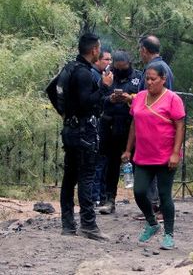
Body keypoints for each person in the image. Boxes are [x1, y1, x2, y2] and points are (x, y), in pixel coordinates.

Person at [121, 63, 185, 250]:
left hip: (165, 156)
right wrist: (127, 149)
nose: (149, 82)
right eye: (147, 79)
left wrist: (175, 153)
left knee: (165, 195)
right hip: (143, 154)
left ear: (163, 79)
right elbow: (134, 124)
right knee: (139, 191)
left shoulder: (173, 99)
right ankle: (152, 222)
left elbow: (180, 126)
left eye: (153, 79)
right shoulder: (140, 97)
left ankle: (169, 234)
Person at [60, 33, 113, 240]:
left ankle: (68, 224)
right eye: (99, 48)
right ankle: (88, 225)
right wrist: (104, 87)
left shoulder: (70, 68)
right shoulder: (83, 73)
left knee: (70, 177)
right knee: (86, 177)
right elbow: (86, 102)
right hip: (84, 132)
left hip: (71, 130)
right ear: (94, 50)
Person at [98, 50, 142, 215]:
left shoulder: (139, 77)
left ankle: (145, 204)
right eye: (118, 68)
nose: (120, 70)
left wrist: (130, 98)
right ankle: (109, 200)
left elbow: (146, 98)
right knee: (111, 166)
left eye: (123, 67)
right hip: (110, 127)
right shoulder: (107, 76)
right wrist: (110, 99)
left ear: (129, 64)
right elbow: (97, 98)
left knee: (139, 164)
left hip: (132, 127)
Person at [137, 35, 174, 218]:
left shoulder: (157, 69)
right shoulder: (161, 67)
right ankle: (152, 206)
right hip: (149, 130)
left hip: (158, 131)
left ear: (144, 50)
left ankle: (158, 207)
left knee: (158, 172)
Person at [90, 45, 112, 208]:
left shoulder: (104, 75)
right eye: (107, 59)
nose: (109, 62)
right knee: (98, 162)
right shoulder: (93, 75)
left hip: (105, 125)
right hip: (95, 124)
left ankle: (101, 195)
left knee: (104, 162)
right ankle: (95, 196)